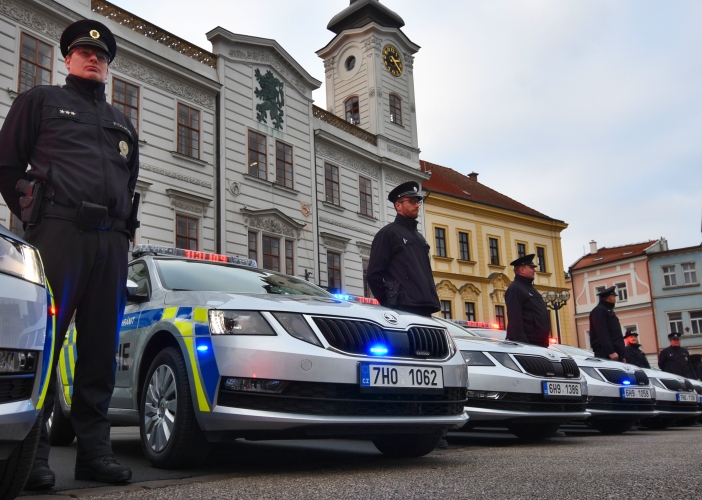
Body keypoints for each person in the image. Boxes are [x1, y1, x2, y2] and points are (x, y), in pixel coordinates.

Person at [0, 20, 138, 488]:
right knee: (44, 344)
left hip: (112, 241)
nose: (93, 58)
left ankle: (94, 455)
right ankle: (33, 457)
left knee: (100, 350)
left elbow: (129, 180)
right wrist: (31, 215)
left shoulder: (122, 121)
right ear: (68, 59)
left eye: (100, 55)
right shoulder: (40, 101)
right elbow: (6, 164)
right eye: (83, 52)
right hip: (58, 234)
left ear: (108, 64)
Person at [366, 181, 440, 317]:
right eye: (412, 201)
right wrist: (389, 302)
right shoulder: (388, 234)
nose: (417, 205)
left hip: (425, 307)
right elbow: (373, 274)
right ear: (398, 205)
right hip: (403, 308)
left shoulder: (420, 237)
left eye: (418, 201)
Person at [504, 254, 551, 347]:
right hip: (528, 344)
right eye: (531, 267)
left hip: (539, 343)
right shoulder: (515, 289)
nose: (535, 270)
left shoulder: (531, 289)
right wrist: (522, 344)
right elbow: (515, 319)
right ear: (522, 270)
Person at [588, 286, 626, 362]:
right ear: (611, 298)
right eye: (614, 297)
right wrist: (611, 351)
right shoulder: (600, 311)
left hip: (615, 353)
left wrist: (622, 356)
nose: (615, 300)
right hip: (607, 353)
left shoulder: (608, 311)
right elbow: (602, 333)